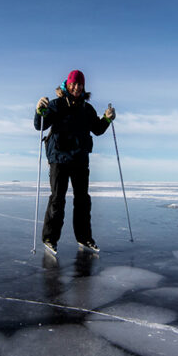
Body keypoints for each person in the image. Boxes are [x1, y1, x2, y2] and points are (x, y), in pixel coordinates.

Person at [34, 69, 116, 255]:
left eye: (80, 84)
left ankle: (84, 238)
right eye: (74, 84)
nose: (77, 87)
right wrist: (39, 111)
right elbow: (40, 125)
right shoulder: (56, 105)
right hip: (59, 158)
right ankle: (49, 238)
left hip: (80, 159)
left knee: (83, 201)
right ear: (68, 84)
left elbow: (97, 129)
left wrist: (106, 119)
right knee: (57, 199)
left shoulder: (87, 109)